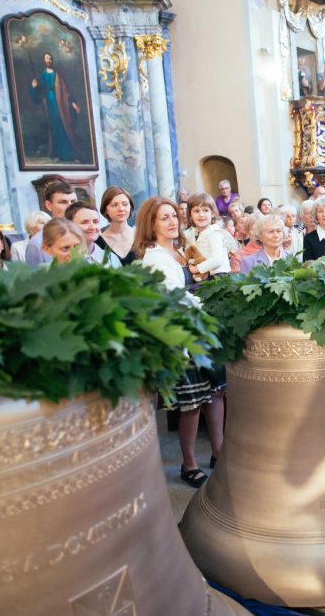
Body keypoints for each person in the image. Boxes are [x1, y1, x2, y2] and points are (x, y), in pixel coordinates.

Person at [134, 197, 225, 488]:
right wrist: (203, 305)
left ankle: (219, 452)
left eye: (174, 215)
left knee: (214, 393)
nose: (173, 221)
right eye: (164, 218)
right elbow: (175, 299)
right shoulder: (154, 257)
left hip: (199, 329)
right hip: (181, 335)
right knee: (192, 403)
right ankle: (189, 464)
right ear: (151, 223)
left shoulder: (177, 251)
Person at [30, 52, 81, 162]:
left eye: (50, 58)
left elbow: (66, 92)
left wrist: (73, 104)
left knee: (64, 125)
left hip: (60, 103)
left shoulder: (58, 75)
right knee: (54, 127)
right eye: (47, 58)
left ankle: (71, 155)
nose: (49, 60)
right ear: (44, 61)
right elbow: (38, 91)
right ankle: (57, 154)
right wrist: (34, 87)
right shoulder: (43, 75)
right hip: (50, 102)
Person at [26, 182, 77, 265]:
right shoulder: (37, 243)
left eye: (73, 201)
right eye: (63, 202)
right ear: (49, 205)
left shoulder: (86, 233)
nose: (70, 206)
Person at [185, 192, 232, 278]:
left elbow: (217, 260)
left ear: (213, 213)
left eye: (205, 210)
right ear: (190, 215)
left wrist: (195, 269)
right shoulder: (194, 233)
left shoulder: (214, 233)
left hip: (219, 276)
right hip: (207, 275)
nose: (201, 215)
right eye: (196, 211)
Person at [65, 201, 122, 268]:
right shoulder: (62, 258)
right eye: (84, 222)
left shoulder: (110, 257)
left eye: (95, 222)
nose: (92, 227)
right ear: (70, 226)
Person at [96, 186, 137, 265]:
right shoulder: (97, 241)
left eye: (125, 204)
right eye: (114, 205)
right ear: (106, 210)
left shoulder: (141, 235)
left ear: (130, 207)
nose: (121, 209)